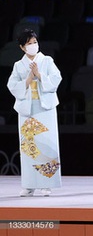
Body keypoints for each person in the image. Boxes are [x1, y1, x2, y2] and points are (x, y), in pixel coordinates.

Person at [7, 29, 62, 197]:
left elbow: (56, 78)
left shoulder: (47, 60)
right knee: (29, 147)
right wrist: (29, 79)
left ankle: (47, 184)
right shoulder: (18, 65)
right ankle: (29, 184)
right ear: (22, 47)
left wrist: (39, 75)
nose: (33, 46)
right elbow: (12, 85)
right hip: (27, 109)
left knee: (47, 143)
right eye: (29, 44)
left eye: (35, 42)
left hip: (45, 107)